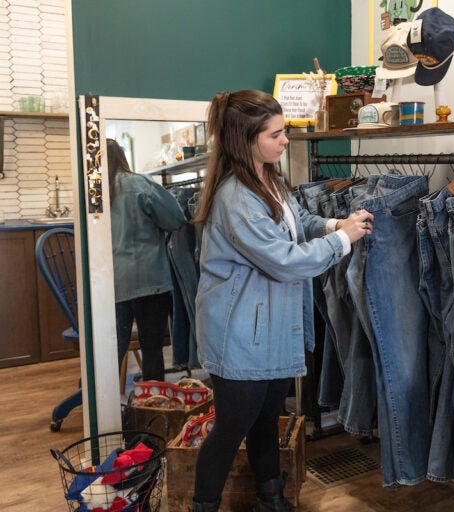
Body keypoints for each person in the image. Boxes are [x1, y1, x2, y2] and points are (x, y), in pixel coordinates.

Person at [189, 90, 373, 512]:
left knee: (265, 422)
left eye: (284, 130)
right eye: (276, 134)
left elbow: (297, 222)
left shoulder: (268, 180)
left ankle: (271, 501)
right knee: (231, 429)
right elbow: (285, 260)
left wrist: (333, 223)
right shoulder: (237, 198)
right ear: (247, 139)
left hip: (266, 330)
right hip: (239, 336)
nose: (285, 140)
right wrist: (343, 240)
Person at [107, 138, 187, 383]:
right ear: (122, 157)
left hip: (111, 283)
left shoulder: (93, 192)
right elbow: (175, 219)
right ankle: (153, 405)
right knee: (152, 348)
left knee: (111, 351)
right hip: (151, 280)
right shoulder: (140, 184)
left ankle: (102, 405)